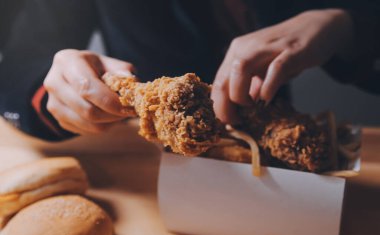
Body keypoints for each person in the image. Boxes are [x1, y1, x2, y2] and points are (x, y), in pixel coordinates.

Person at [0, 0, 379, 140]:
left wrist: (350, 25)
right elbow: (19, 66)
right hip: (152, 162)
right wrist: (51, 90)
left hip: (267, 134)